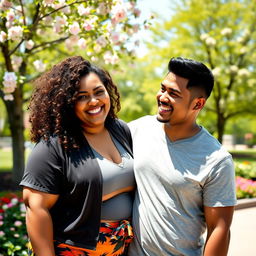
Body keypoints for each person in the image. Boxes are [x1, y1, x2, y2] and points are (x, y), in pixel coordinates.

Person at [20, 56, 135, 256]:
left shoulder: (120, 130)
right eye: (81, 96)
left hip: (118, 249)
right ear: (67, 102)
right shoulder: (52, 147)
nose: (94, 101)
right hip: (71, 250)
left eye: (99, 92)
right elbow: (36, 208)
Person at [128, 57, 237, 256]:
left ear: (198, 104)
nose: (162, 97)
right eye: (163, 89)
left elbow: (219, 229)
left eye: (173, 93)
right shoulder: (138, 129)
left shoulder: (217, 160)